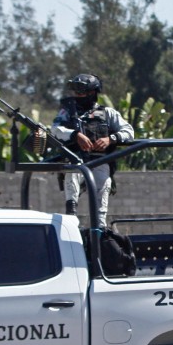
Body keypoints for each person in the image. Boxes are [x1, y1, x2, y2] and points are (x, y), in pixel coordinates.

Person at [51, 73, 134, 228]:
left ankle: (99, 231)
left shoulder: (107, 113)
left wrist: (111, 139)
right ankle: (71, 219)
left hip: (99, 161)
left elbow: (129, 132)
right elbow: (55, 129)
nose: (78, 96)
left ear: (92, 93)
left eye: (81, 92)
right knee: (72, 174)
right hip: (76, 160)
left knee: (104, 185)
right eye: (76, 93)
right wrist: (76, 135)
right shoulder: (67, 112)